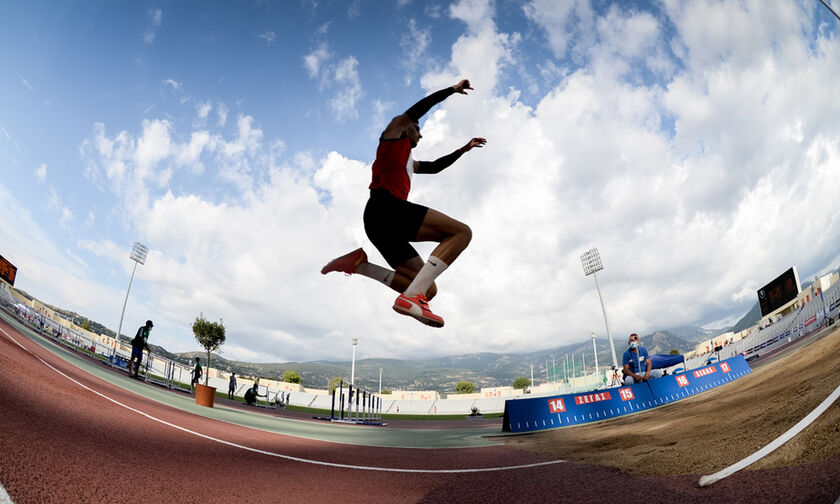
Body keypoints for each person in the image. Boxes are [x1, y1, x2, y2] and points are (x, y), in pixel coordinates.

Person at [321, 79, 486, 328]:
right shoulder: (394, 134)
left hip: (379, 224)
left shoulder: (409, 161)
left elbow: (434, 167)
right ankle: (410, 298)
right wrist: (452, 90)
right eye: (418, 129)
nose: (420, 134)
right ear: (408, 127)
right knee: (461, 232)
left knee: (427, 288)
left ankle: (359, 265)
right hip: (386, 207)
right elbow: (420, 108)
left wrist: (463, 149)